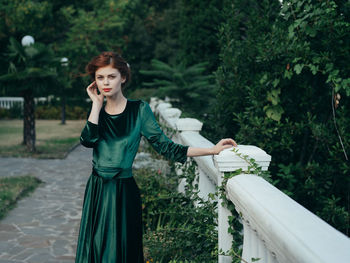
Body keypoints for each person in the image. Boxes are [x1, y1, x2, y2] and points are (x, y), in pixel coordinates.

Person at [75, 51, 237, 263]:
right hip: (97, 191)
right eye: (100, 77)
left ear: (123, 78)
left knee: (121, 252)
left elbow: (166, 147)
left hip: (123, 192)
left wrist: (212, 150)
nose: (106, 82)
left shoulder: (139, 110)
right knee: (94, 250)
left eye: (111, 76)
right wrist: (96, 105)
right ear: (95, 82)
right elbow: (87, 141)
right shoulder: (97, 115)